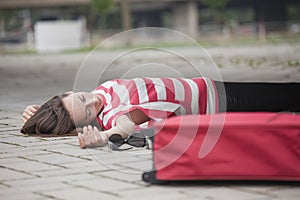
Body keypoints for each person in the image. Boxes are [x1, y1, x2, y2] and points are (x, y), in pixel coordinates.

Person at [21, 77, 300, 149]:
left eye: (82, 97)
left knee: (288, 92)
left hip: (209, 86)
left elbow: (63, 108)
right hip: (221, 102)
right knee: (287, 98)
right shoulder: (116, 114)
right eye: (88, 110)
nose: (92, 101)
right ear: (87, 121)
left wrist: (37, 112)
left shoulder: (99, 93)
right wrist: (104, 138)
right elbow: (125, 126)